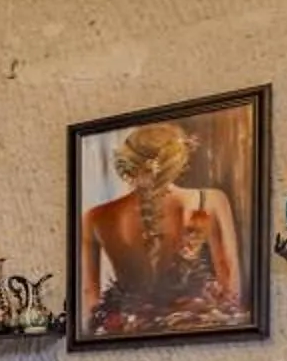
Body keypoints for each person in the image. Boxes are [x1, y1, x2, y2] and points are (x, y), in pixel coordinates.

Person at [80, 121, 248, 335]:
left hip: (124, 332)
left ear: (128, 163)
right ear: (177, 159)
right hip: (196, 328)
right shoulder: (211, 200)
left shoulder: (95, 217)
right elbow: (229, 280)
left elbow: (89, 296)